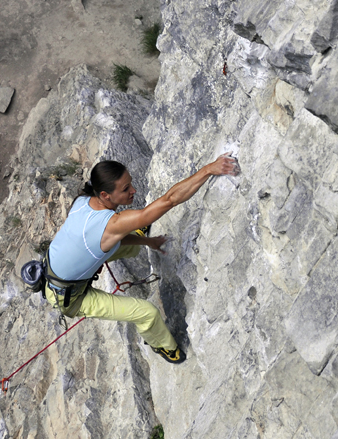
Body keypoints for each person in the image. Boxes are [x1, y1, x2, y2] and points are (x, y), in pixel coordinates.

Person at [44, 153, 240, 364]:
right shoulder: (111, 224)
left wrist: (148, 242)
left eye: (130, 184)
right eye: (125, 189)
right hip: (70, 297)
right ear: (105, 194)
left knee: (128, 247)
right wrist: (208, 169)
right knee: (147, 313)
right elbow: (170, 200)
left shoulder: (83, 200)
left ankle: (139, 238)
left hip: (56, 271)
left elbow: (109, 237)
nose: (133, 191)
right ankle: (161, 345)